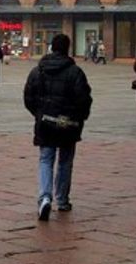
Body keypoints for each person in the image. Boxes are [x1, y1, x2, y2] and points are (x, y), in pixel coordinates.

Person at [23, 33, 92, 220]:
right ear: (68, 48)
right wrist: (79, 118)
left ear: (52, 47)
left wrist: (39, 114)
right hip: (67, 124)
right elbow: (84, 99)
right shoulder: (75, 72)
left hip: (45, 122)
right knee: (65, 161)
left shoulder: (38, 70)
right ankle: (62, 200)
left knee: (46, 159)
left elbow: (28, 97)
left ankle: (44, 198)